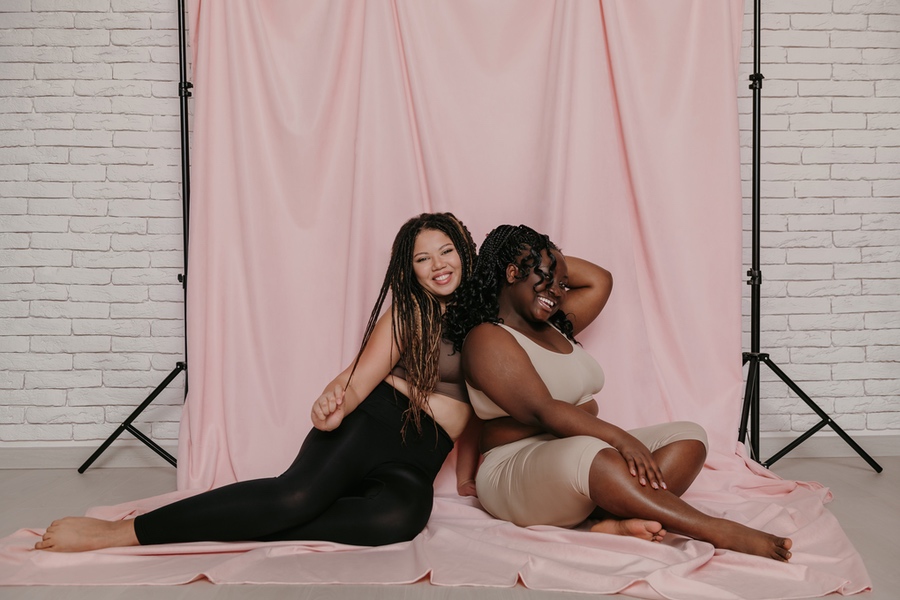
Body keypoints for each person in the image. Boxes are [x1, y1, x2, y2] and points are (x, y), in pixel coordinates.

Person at [36, 212, 480, 552]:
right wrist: (331, 408)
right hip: (373, 425)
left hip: (418, 459)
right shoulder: (409, 313)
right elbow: (359, 380)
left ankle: (249, 522)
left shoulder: (489, 323)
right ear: (410, 270)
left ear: (465, 250)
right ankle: (122, 533)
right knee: (293, 497)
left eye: (446, 251)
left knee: (398, 522)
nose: (437, 265)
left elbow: (484, 409)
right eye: (423, 258)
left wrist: (467, 476)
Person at [444, 224, 793, 561]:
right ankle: (714, 529)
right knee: (599, 453)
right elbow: (543, 410)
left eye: (562, 284)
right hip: (513, 472)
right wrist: (620, 439)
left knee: (688, 438)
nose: (557, 291)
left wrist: (550, 259)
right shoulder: (487, 337)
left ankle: (607, 519)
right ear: (511, 273)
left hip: (569, 454)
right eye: (546, 278)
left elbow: (600, 280)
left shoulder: (556, 325)